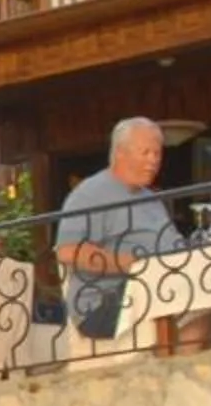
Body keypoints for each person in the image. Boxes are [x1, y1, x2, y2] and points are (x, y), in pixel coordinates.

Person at [55, 116, 195, 341]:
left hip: (162, 284)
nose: (153, 161)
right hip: (106, 302)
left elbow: (174, 245)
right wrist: (137, 265)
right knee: (190, 292)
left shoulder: (153, 200)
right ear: (120, 152)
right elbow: (68, 251)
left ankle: (186, 367)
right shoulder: (90, 193)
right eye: (146, 152)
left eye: (157, 154)